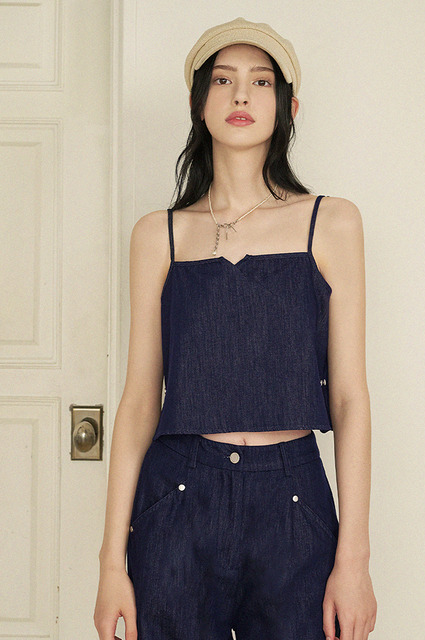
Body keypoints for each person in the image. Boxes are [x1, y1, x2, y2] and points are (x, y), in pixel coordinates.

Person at [94, 16, 377, 640]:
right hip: (177, 500)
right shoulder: (159, 235)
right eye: (223, 80)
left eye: (261, 81)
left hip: (294, 503)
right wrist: (111, 563)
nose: (241, 94)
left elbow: (350, 399)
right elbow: (139, 401)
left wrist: (354, 559)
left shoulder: (331, 223)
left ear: (288, 106)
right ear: (199, 104)